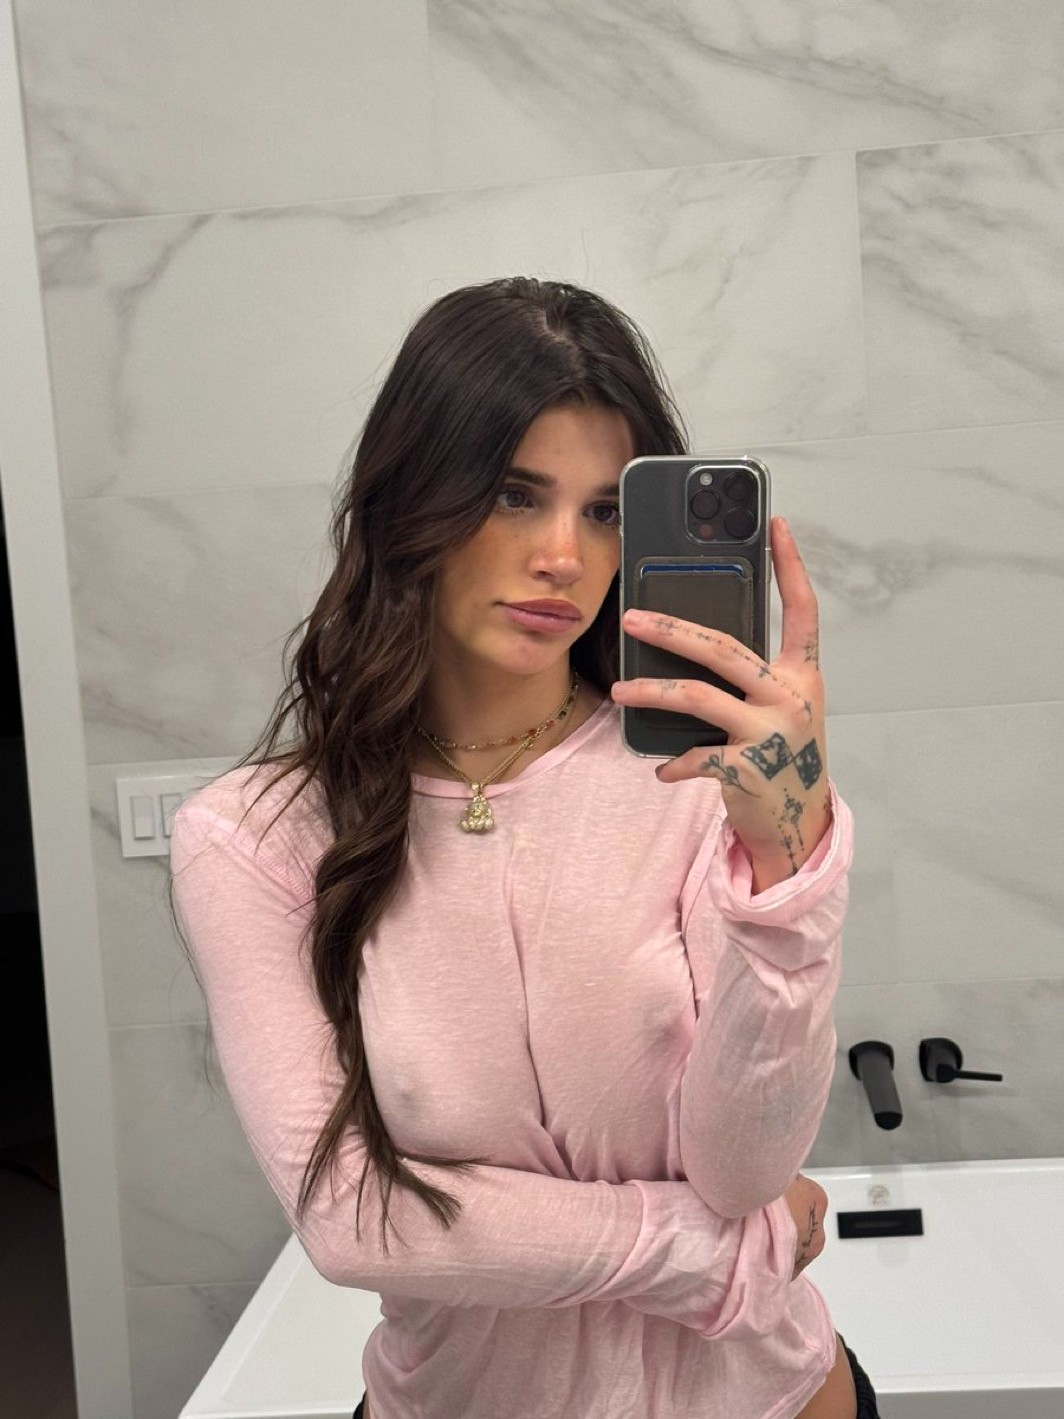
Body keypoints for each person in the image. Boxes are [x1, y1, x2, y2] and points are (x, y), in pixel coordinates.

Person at [170, 277, 879, 1419]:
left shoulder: (699, 783)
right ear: (411, 499)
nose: (563, 556)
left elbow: (740, 1169)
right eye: (514, 495)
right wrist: (709, 1254)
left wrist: (785, 865)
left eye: (604, 512)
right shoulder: (256, 839)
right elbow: (352, 1219)